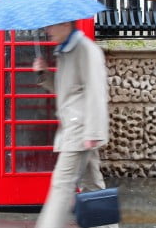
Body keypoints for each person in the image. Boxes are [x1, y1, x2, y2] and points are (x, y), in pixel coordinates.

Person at [33, 21, 112, 228]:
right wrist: (43, 73)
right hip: (74, 128)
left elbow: (97, 91)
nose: (47, 30)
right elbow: (67, 89)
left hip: (81, 132)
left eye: (51, 26)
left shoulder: (86, 50)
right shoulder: (66, 50)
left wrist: (93, 133)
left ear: (66, 24)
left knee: (61, 186)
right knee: (93, 187)